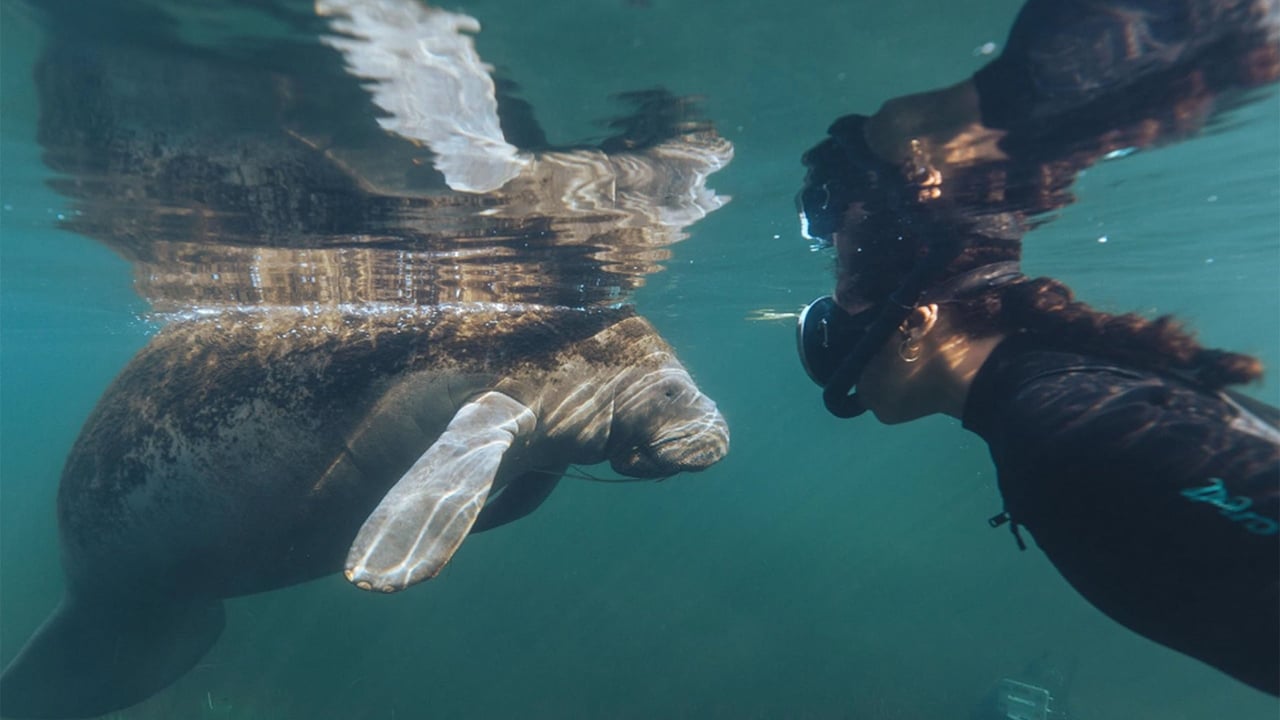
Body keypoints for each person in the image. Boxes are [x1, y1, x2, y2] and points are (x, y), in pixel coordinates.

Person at [795, 0, 1280, 697]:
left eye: (844, 312)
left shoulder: (1062, 426)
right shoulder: (1059, 403)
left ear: (915, 321)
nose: (831, 339)